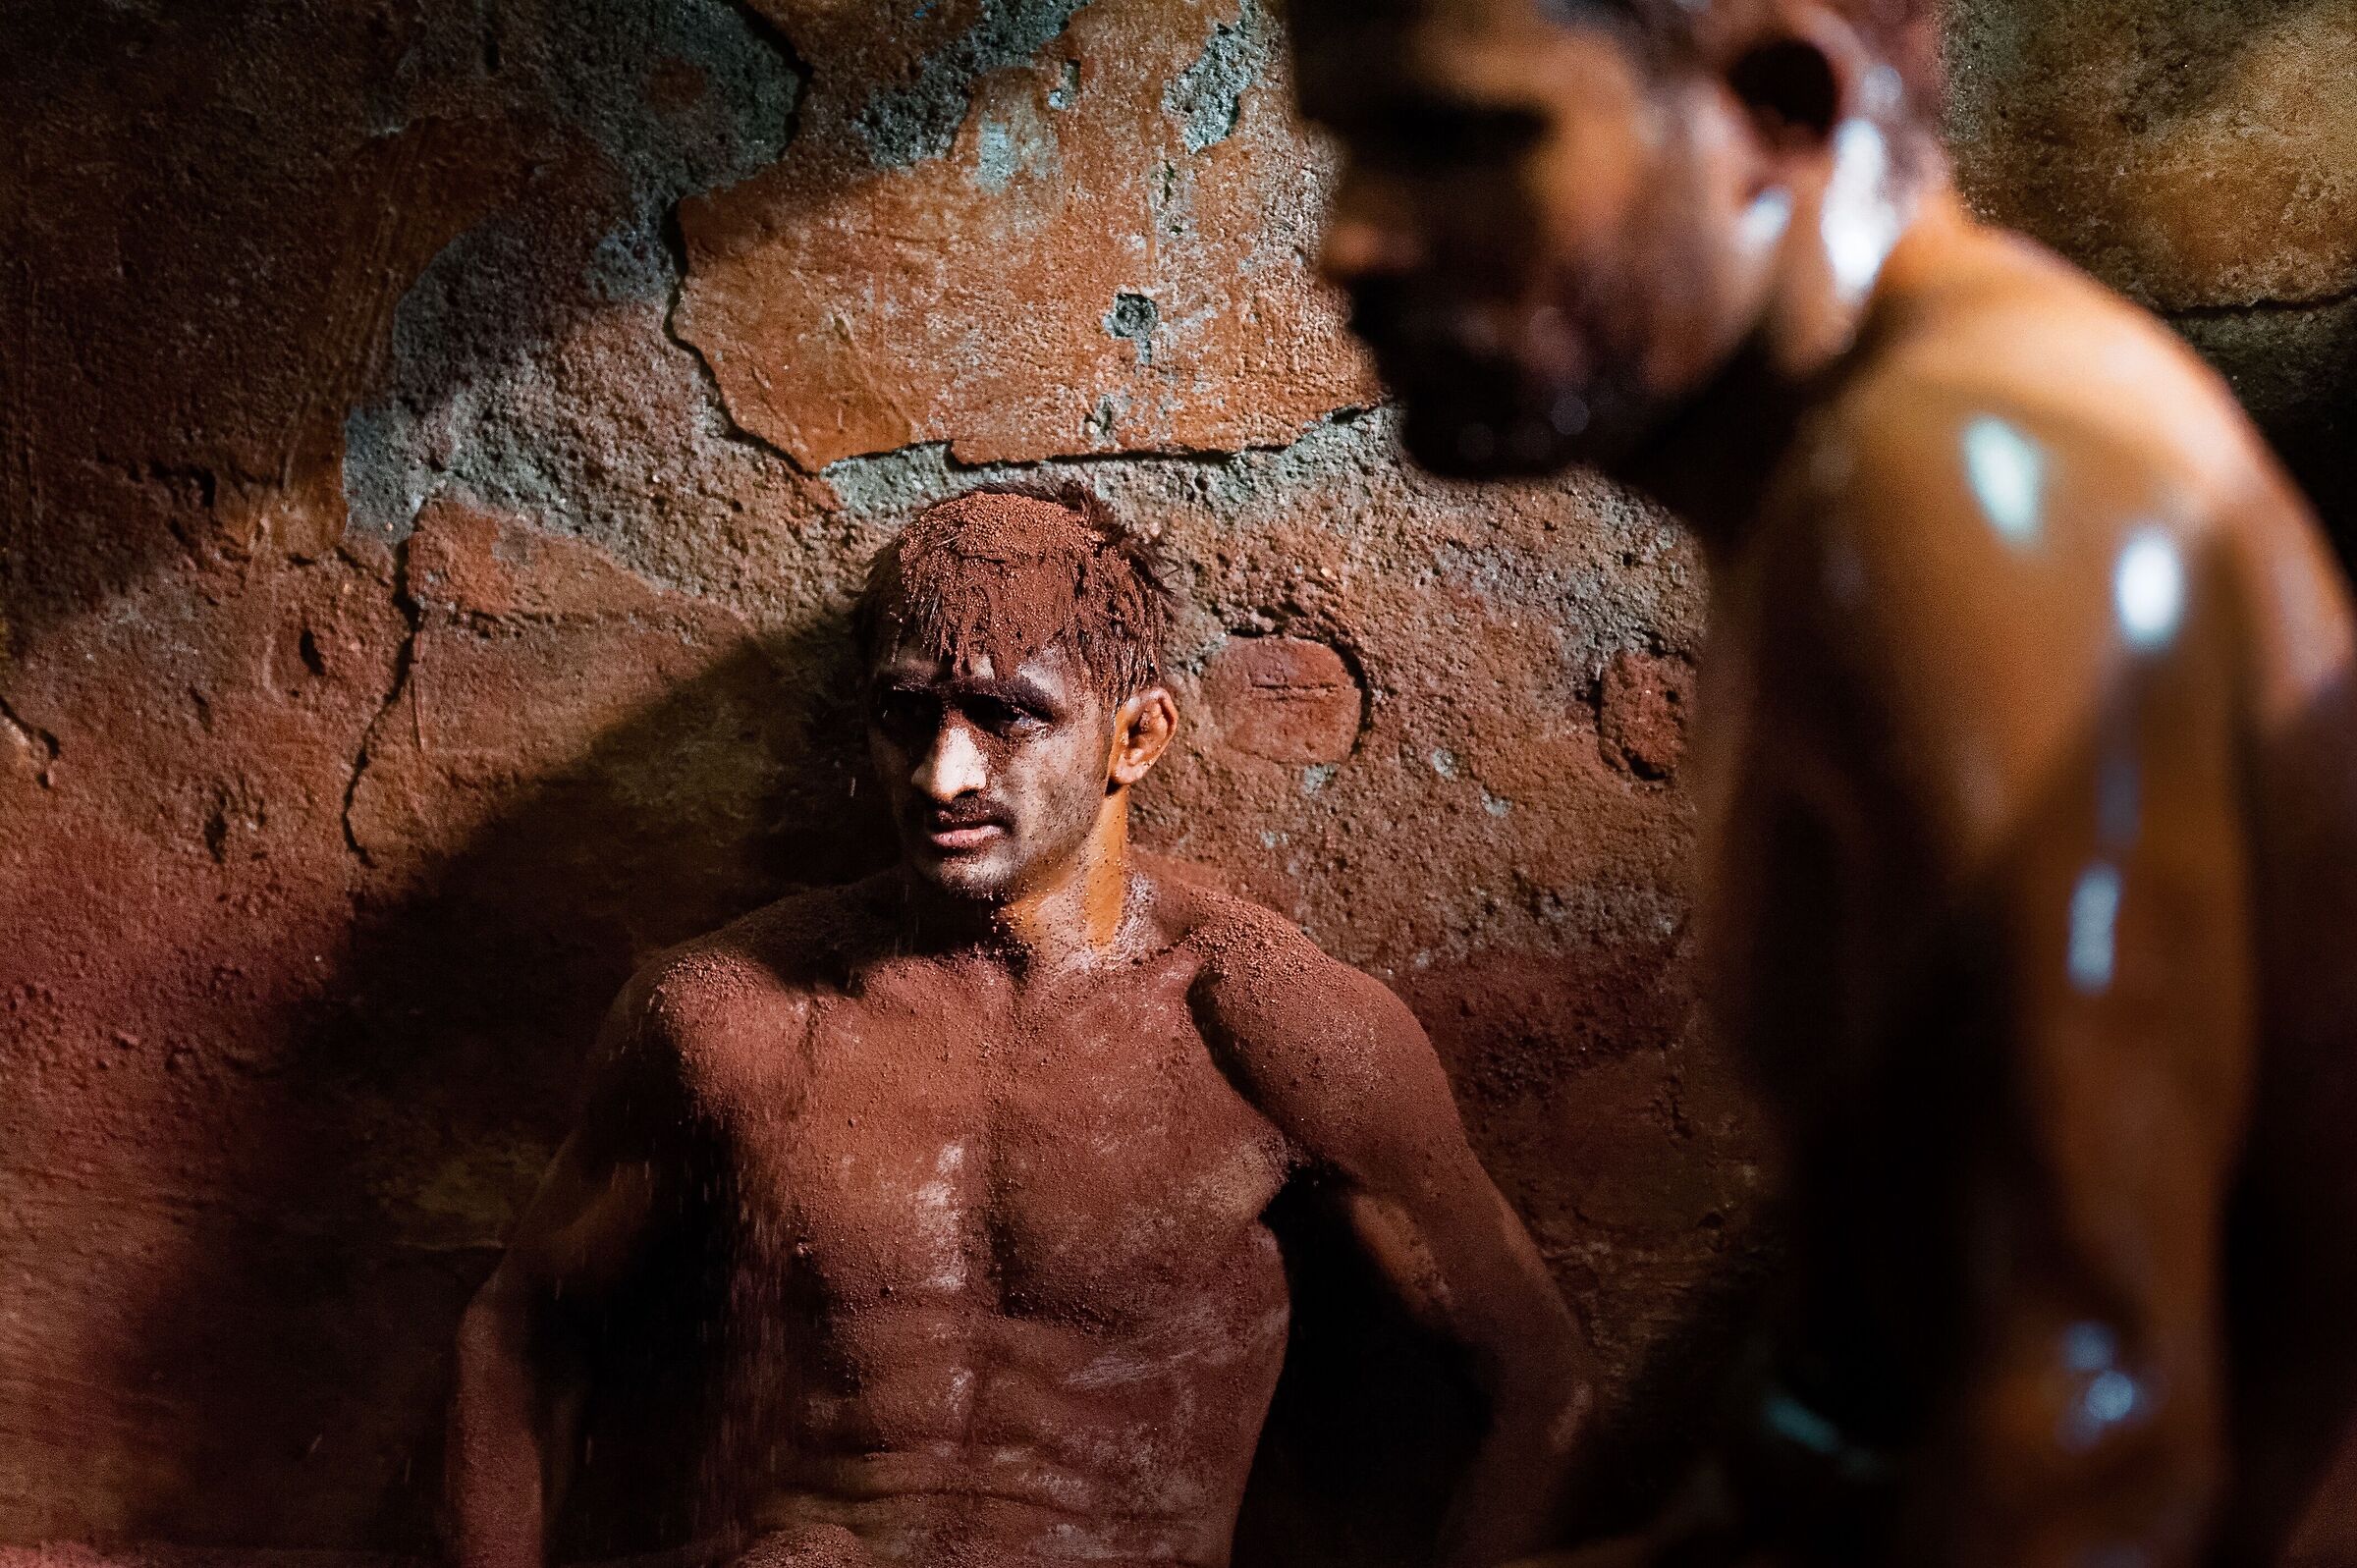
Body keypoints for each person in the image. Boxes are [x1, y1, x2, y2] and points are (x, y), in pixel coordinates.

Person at [1288, 0, 2357, 1562]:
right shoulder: (1865, 466)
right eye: (1347, 146)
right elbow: (1890, 1339)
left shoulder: (1955, 483)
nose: (1353, 241)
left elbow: (2094, 1423)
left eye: (1458, 139)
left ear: (1777, 108)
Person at [447, 487, 1592, 1568]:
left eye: (1007, 716)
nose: (944, 773)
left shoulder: (1270, 1028)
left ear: (1135, 739)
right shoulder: (728, 1015)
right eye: (906, 715)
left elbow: (1539, 1380)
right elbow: (515, 1338)